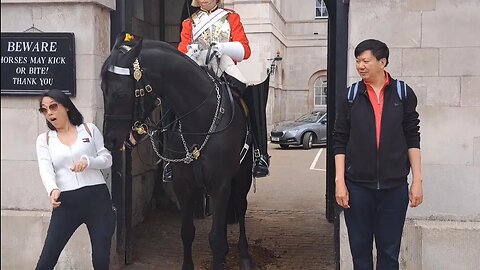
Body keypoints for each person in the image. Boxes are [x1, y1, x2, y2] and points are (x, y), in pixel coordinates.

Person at [333, 39, 424, 270]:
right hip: (357, 189)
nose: (360, 66)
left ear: (382, 62)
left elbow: (412, 137)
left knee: (389, 254)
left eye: (365, 60)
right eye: (357, 61)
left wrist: (417, 180)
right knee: (360, 255)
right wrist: (340, 182)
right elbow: (339, 140)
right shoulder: (351, 96)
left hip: (394, 189)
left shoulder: (403, 93)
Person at [162, 0, 270, 182]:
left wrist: (224, 47)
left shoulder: (231, 17)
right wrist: (190, 52)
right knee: (175, 96)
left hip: (224, 63)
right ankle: (169, 159)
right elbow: (181, 50)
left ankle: (260, 154)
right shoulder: (189, 22)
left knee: (247, 92)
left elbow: (245, 49)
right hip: (196, 64)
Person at [35, 89, 115, 270]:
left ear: (66, 107)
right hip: (66, 202)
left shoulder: (89, 130)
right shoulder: (45, 139)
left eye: (53, 107)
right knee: (46, 260)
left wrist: (89, 161)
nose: (49, 113)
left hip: (97, 199)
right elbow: (45, 169)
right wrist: (52, 189)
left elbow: (107, 159)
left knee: (101, 260)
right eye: (44, 110)